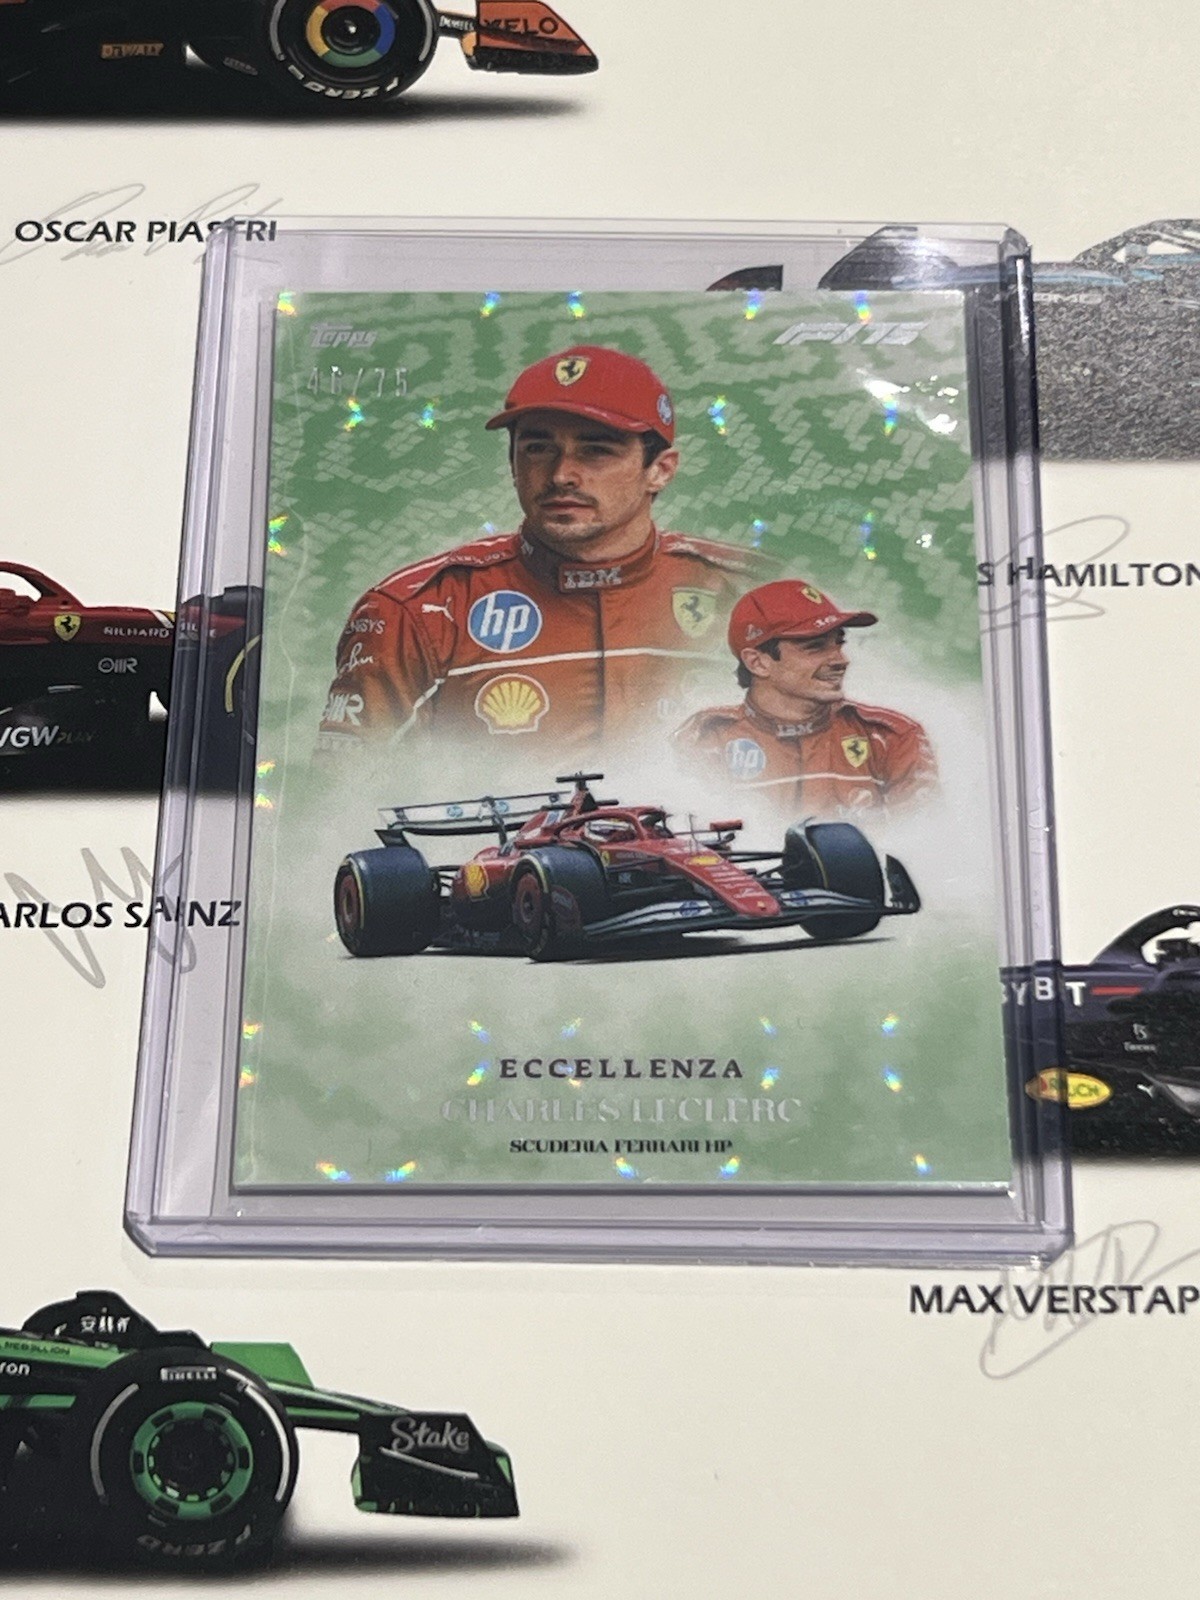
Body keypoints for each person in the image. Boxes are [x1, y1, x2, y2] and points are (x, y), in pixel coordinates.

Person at [318, 345, 761, 755]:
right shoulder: (415, 611)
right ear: (512, 463)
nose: (561, 474)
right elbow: (338, 797)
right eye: (538, 448)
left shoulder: (747, 593)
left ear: (660, 470)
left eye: (595, 451)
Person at [672, 579, 937, 815]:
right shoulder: (705, 738)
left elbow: (922, 840)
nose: (841, 660)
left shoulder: (893, 738)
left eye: (839, 643)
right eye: (815, 647)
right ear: (758, 663)